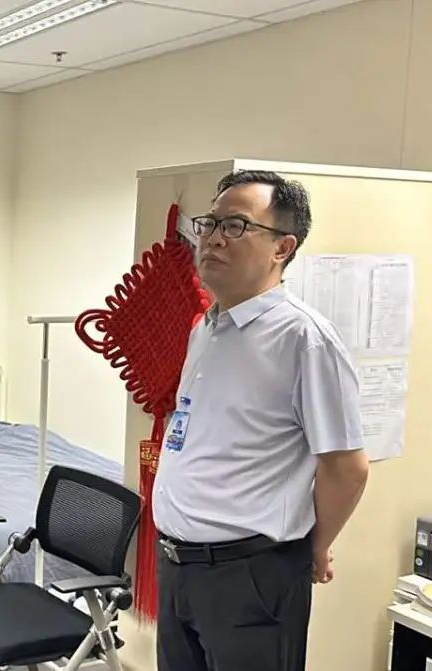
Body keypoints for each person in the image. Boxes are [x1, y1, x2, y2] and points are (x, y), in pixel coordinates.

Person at [153, 170, 370, 671]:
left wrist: (314, 547)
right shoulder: (207, 328)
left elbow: (346, 467)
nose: (213, 238)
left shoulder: (304, 339)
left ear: (282, 247)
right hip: (178, 567)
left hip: (249, 577)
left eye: (236, 226)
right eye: (210, 223)